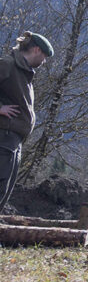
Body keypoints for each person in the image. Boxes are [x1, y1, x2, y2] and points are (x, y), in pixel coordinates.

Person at [0, 32, 53, 214]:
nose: (44, 62)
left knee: (4, 191)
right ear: (36, 50)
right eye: (44, 57)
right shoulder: (7, 64)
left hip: (13, 141)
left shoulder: (24, 72)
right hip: (3, 138)